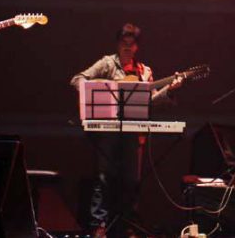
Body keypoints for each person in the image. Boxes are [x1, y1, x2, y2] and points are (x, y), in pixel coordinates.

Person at [70, 23, 180, 238]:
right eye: (124, 43)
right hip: (108, 129)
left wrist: (170, 89)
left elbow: (153, 99)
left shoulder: (144, 71)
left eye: (132, 44)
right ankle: (99, 225)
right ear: (118, 44)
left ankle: (128, 223)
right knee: (104, 177)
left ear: (137, 47)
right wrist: (106, 87)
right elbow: (77, 80)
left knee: (132, 180)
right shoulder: (107, 63)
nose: (128, 47)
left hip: (133, 132)